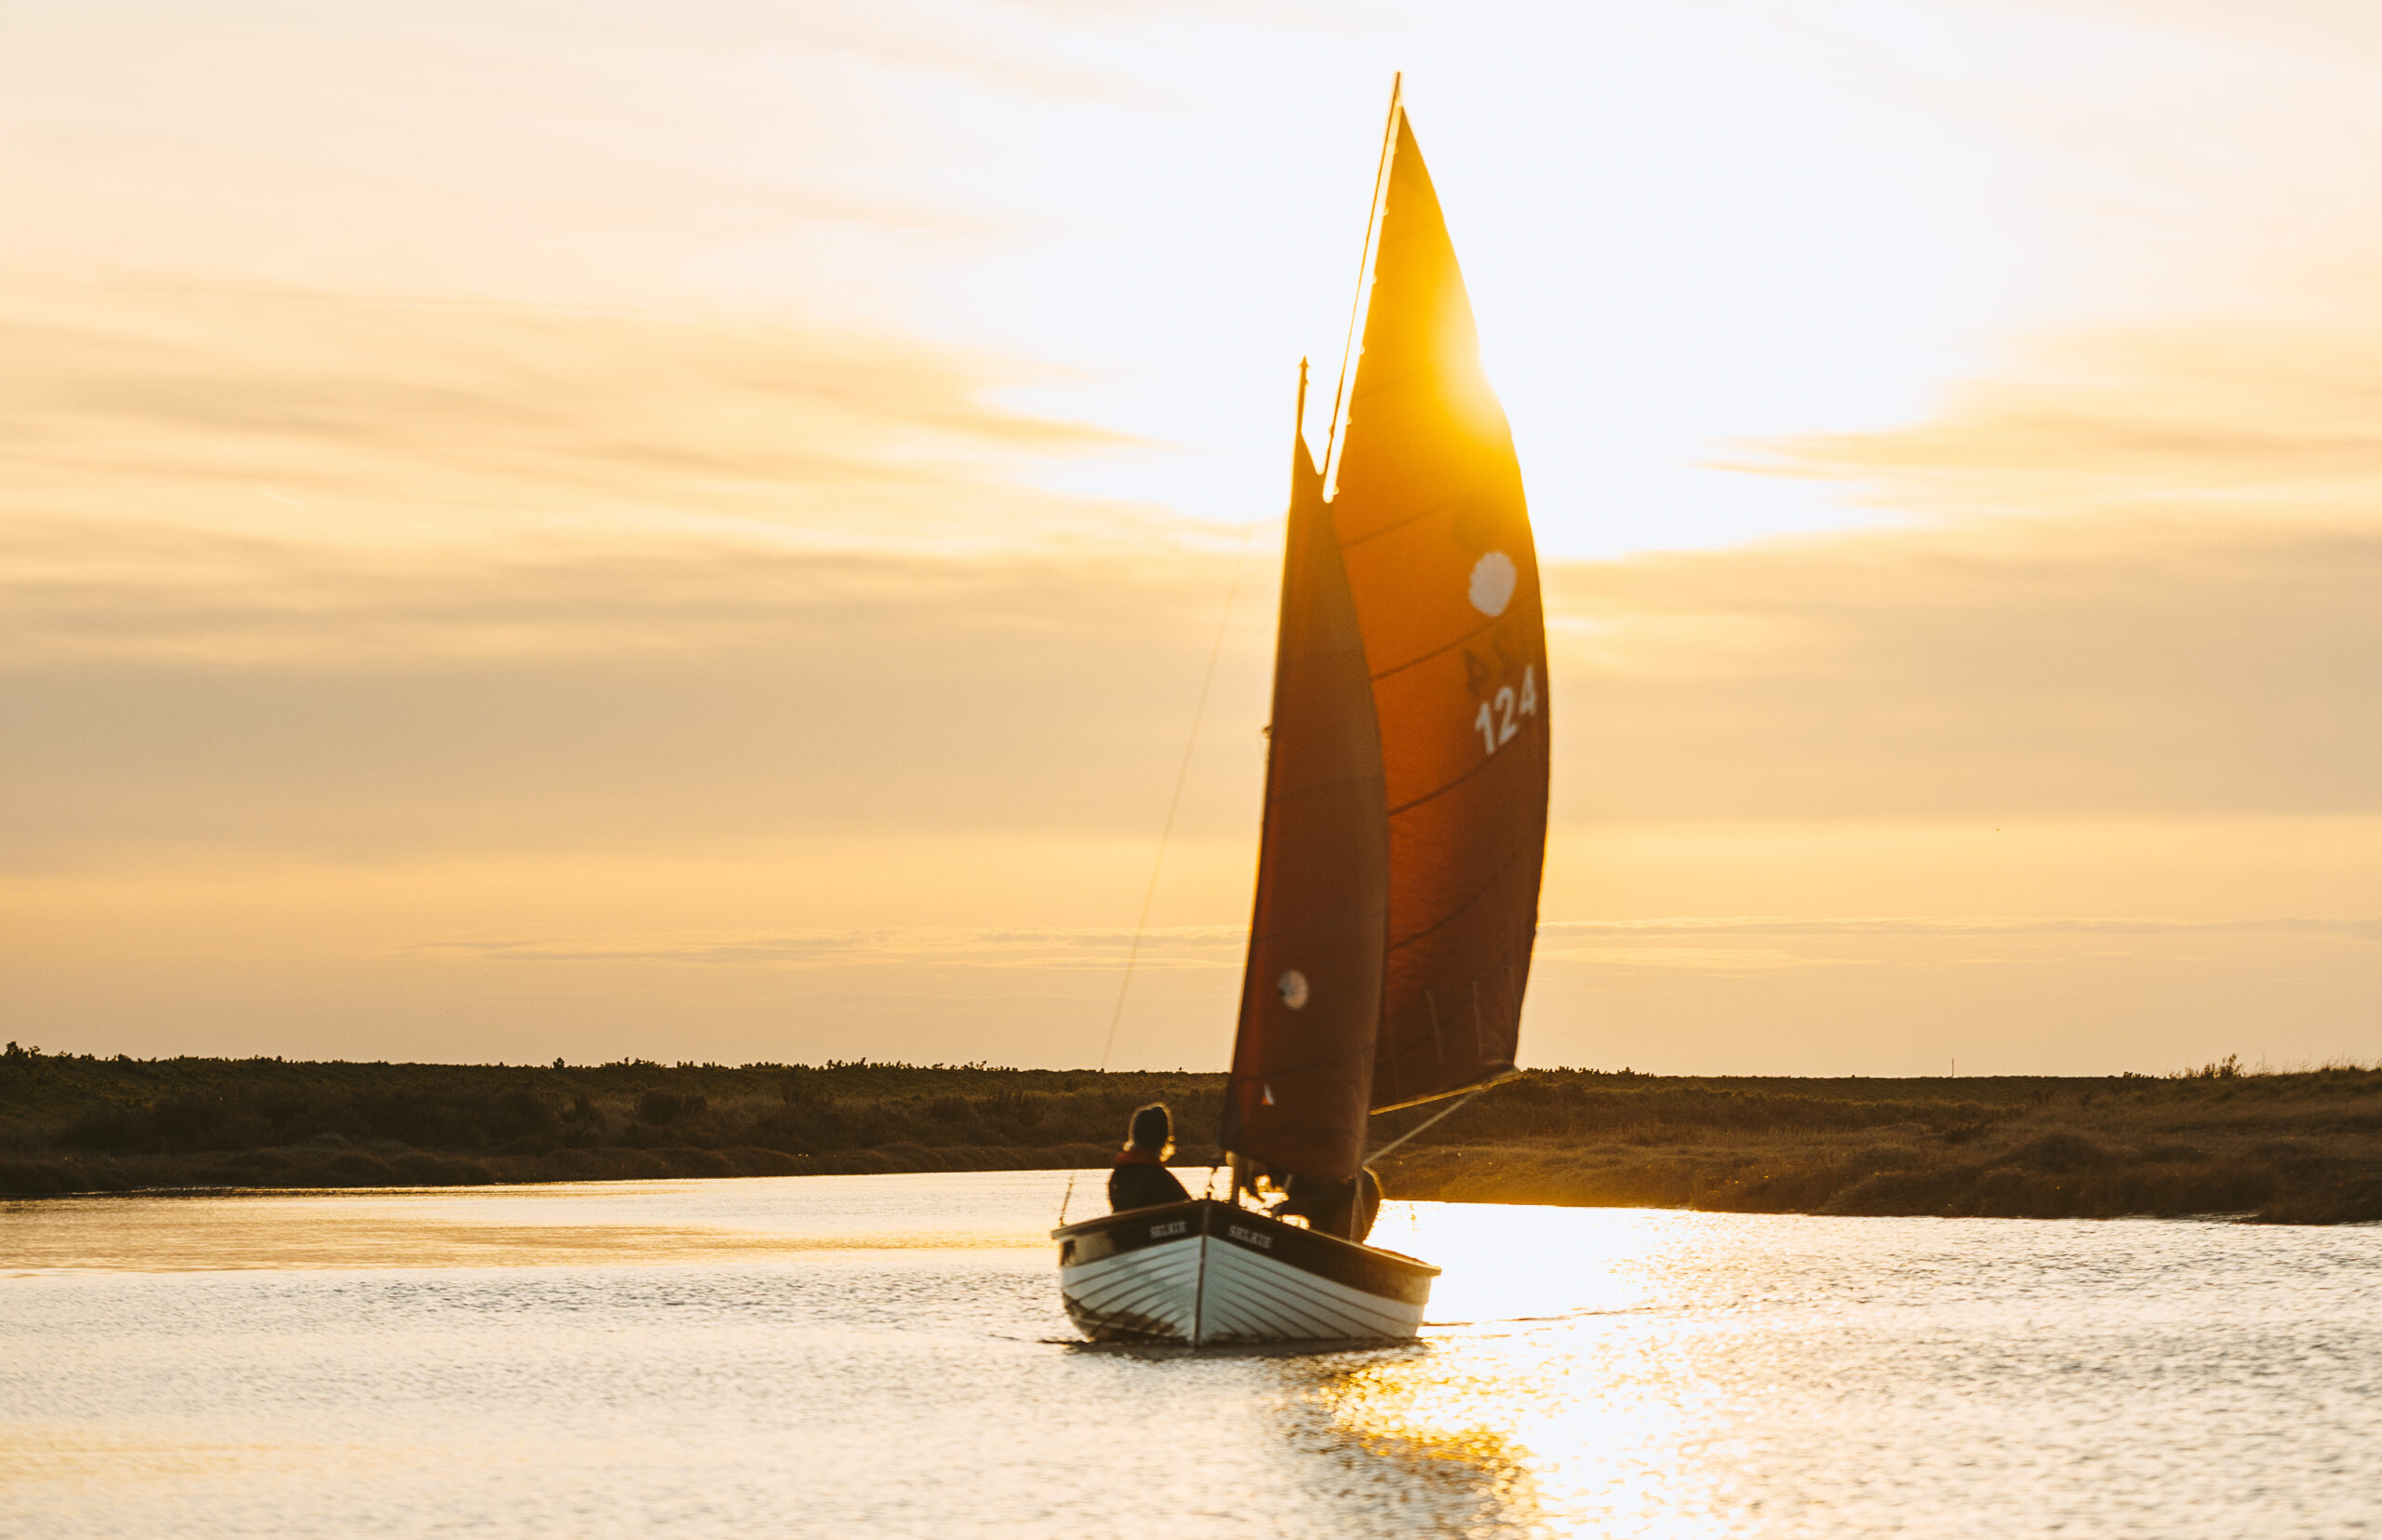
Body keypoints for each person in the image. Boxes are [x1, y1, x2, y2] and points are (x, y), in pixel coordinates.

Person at [1108, 1103, 1194, 1212]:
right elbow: (1188, 1208)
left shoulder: (1117, 1176)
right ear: (1164, 1140)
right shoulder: (1161, 1179)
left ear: (1133, 1136)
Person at [1271, 1166, 1383, 1243]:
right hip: (1339, 1197)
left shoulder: (1300, 1170)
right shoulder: (1291, 1175)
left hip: (1359, 1195)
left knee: (1337, 1243)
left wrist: (1283, 1208)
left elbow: (1325, 1198)